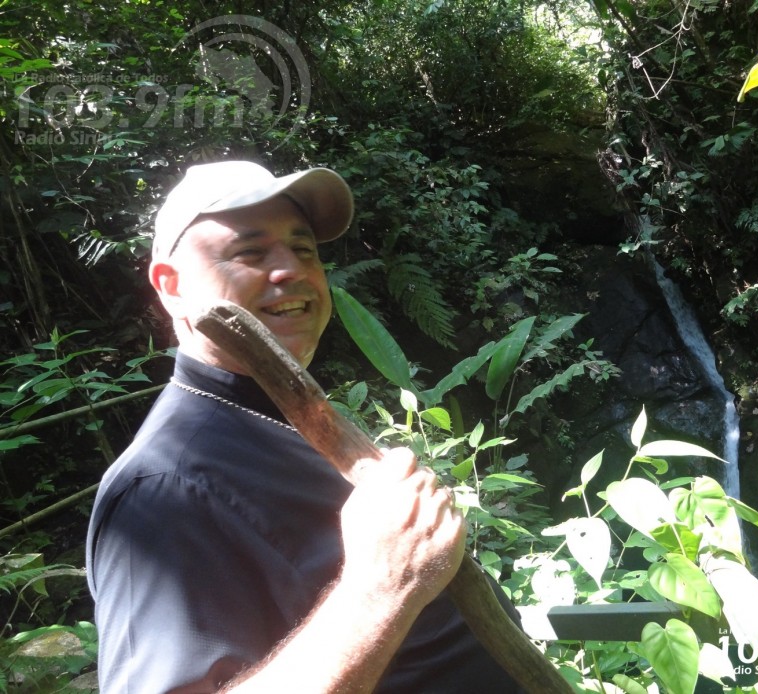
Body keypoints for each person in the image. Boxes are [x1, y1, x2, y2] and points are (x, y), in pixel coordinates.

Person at [86, 160, 523, 693]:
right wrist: (382, 586)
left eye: (304, 250)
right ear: (170, 286)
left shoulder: (294, 414)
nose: (290, 270)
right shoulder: (161, 489)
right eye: (250, 252)